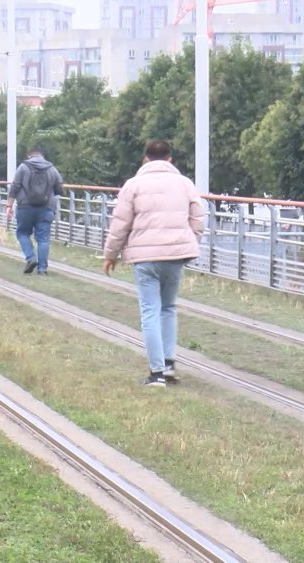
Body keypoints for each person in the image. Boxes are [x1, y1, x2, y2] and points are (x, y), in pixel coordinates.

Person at [103, 140, 205, 387]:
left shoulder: (133, 185)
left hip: (145, 257)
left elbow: (120, 224)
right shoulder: (185, 184)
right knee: (168, 308)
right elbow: (198, 218)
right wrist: (189, 241)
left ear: (145, 159)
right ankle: (169, 363)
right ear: (170, 159)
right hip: (175, 256)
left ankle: (156, 372)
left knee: (150, 310)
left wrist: (111, 254)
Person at [5, 147, 64, 275]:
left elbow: (15, 187)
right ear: (42, 155)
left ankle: (31, 258)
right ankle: (42, 269)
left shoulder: (23, 167)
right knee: (43, 239)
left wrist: (9, 206)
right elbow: (59, 188)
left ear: (29, 155)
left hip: (25, 207)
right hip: (46, 207)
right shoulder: (52, 168)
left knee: (22, 233)